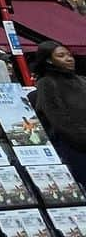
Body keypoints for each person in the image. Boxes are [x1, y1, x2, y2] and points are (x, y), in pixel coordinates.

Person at [32, 41, 86, 184]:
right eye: (61, 56)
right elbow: (59, 119)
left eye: (69, 55)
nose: (69, 59)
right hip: (72, 147)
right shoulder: (47, 83)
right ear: (49, 60)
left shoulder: (82, 81)